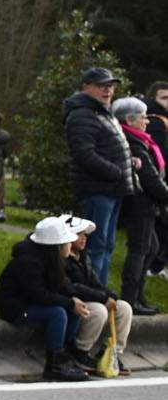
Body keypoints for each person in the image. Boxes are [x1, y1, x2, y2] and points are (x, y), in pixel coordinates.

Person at [0, 217, 91, 381]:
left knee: (72, 310)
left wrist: (74, 300)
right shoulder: (29, 262)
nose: (70, 245)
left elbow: (62, 286)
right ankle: (54, 364)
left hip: (32, 304)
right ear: (56, 246)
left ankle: (65, 356)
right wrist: (69, 302)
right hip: (15, 308)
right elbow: (38, 295)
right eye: (66, 242)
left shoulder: (53, 260)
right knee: (58, 313)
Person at [64, 67, 134, 284]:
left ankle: (100, 291)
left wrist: (129, 162)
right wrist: (116, 171)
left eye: (111, 86)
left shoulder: (103, 111)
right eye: (102, 86)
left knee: (107, 244)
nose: (108, 90)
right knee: (96, 245)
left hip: (112, 189)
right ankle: (93, 293)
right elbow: (84, 153)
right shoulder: (81, 114)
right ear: (86, 87)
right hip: (98, 189)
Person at [60, 215, 135, 375]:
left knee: (124, 308)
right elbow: (72, 287)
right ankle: (80, 351)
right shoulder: (62, 258)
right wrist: (102, 298)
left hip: (90, 298)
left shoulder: (83, 257)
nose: (84, 238)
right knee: (98, 310)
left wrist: (111, 295)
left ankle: (110, 352)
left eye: (85, 235)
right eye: (79, 234)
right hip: (74, 301)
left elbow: (94, 282)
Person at [111, 97, 165, 316]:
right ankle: (130, 299)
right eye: (143, 117)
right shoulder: (134, 143)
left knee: (150, 248)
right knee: (140, 249)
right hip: (139, 205)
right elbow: (150, 179)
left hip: (146, 204)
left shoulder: (140, 140)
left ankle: (138, 295)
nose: (147, 121)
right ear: (130, 120)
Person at [144, 81, 168, 275]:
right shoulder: (154, 120)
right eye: (164, 98)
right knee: (158, 225)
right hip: (157, 179)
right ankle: (154, 265)